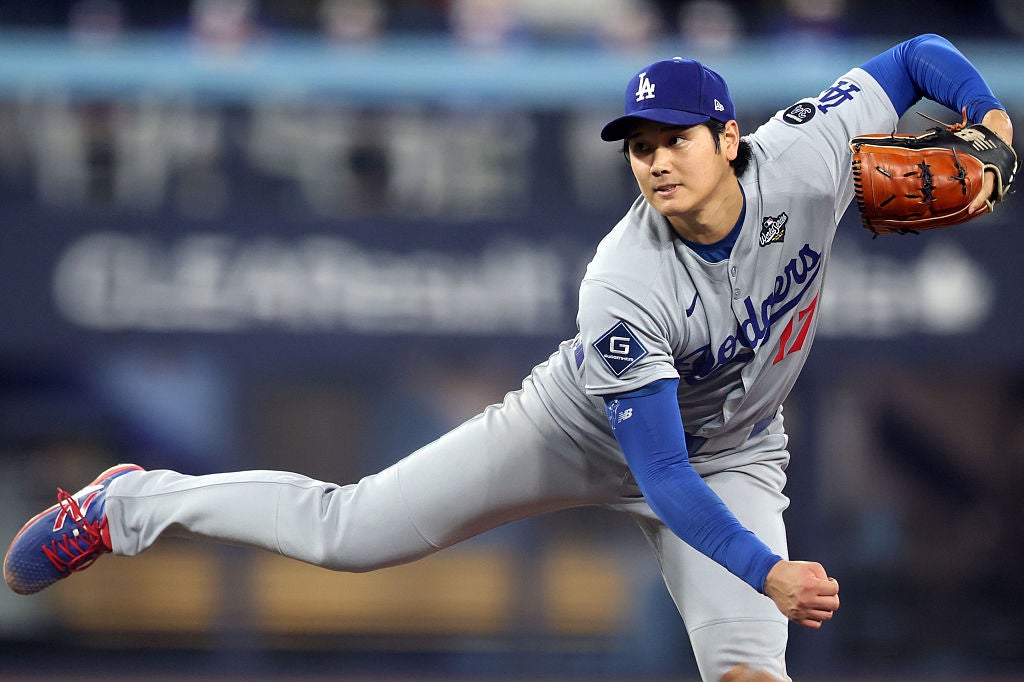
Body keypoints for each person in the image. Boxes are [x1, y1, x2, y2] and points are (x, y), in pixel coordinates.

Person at [4, 33, 1013, 681]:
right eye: (638, 144)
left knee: (748, 671)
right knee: (348, 531)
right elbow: (658, 475)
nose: (656, 160)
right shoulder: (626, 278)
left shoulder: (806, 152)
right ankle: (125, 507)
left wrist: (995, 128)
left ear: (728, 135)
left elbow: (922, 53)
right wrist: (771, 570)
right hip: (578, 431)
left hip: (735, 452)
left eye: (675, 139)